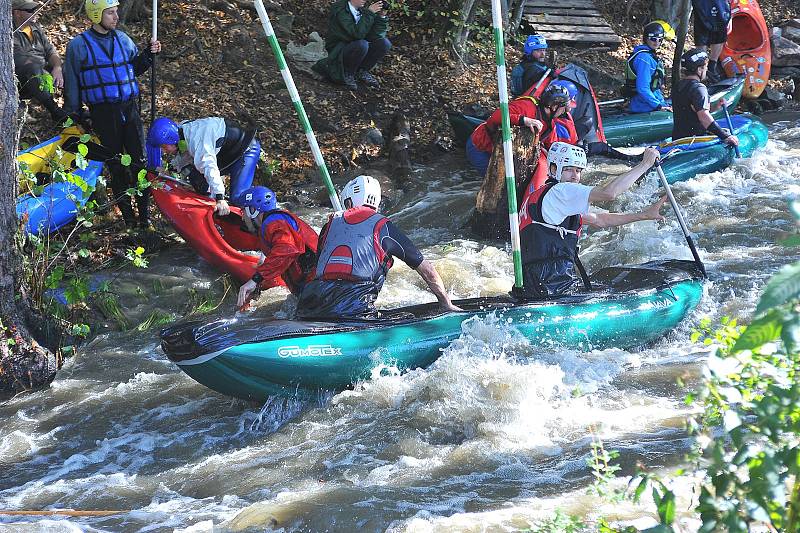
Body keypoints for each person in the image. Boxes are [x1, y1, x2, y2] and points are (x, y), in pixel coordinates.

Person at [296, 175, 461, 319]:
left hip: (311, 303)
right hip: (354, 308)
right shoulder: (384, 227)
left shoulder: (329, 225)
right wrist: (446, 304)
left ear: (349, 200)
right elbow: (427, 270)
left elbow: (319, 267)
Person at [517, 142, 667, 299]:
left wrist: (643, 215)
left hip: (538, 283)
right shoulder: (560, 191)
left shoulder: (546, 196)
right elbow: (609, 193)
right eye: (568, 169)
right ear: (553, 169)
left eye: (578, 170)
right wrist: (645, 164)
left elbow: (600, 220)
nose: (575, 176)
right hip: (551, 285)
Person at [63, 0, 161, 229]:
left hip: (129, 108)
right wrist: (75, 114)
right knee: (116, 165)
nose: (116, 17)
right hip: (103, 113)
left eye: (116, 12)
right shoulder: (79, 46)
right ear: (97, 15)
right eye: (110, 13)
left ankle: (145, 220)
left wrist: (148, 55)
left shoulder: (123, 39)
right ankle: (128, 220)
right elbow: (73, 83)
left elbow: (133, 69)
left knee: (140, 163)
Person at [146, 117, 261, 215]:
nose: (164, 151)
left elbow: (209, 166)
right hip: (226, 153)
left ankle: (261, 210)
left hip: (245, 151)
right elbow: (185, 154)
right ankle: (210, 209)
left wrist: (220, 197)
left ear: (172, 140)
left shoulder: (198, 143)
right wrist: (170, 168)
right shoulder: (182, 131)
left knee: (237, 198)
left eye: (164, 146)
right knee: (197, 178)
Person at [467, 83, 578, 177]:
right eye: (563, 108)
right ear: (554, 107)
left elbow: (551, 145)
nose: (565, 112)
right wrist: (523, 120)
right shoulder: (526, 107)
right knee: (493, 180)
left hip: (503, 152)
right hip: (480, 146)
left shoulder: (551, 124)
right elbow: (496, 116)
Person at [234, 186, 319, 308]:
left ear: (252, 210)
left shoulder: (275, 222)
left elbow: (286, 249)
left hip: (316, 286)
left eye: (243, 212)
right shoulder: (274, 222)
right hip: (311, 287)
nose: (242, 218)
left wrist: (256, 279)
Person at [312, 0, 391, 91]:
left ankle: (362, 71)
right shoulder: (340, 10)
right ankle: (347, 73)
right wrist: (369, 13)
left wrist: (381, 17)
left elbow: (375, 36)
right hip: (338, 49)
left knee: (384, 43)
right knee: (362, 44)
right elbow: (356, 34)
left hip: (356, 47)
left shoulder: (362, 11)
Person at [12, 0, 67, 123]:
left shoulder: (35, 28)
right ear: (17, 13)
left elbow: (51, 51)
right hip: (23, 80)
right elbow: (23, 62)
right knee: (33, 69)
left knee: (67, 67)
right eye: (30, 10)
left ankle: (71, 108)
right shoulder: (10, 33)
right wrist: (46, 74)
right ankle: (55, 112)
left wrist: (57, 68)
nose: (35, 13)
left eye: (36, 9)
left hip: (41, 72)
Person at [671, 49, 740, 148]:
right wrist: (725, 136)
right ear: (699, 70)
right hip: (694, 142)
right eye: (705, 67)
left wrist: (716, 106)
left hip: (677, 140)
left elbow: (693, 109)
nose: (706, 70)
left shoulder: (678, 86)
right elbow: (703, 116)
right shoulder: (699, 88)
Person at [623, 22, 671, 113]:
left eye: (660, 39)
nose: (657, 42)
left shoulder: (649, 55)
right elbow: (643, 88)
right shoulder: (644, 59)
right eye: (653, 39)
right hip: (644, 105)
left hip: (651, 100)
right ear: (646, 38)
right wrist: (658, 105)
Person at [691, 0, 731, 84]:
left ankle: (712, 66)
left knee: (719, 36)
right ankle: (701, 70)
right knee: (702, 39)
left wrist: (731, 14)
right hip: (702, 6)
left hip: (722, 8)